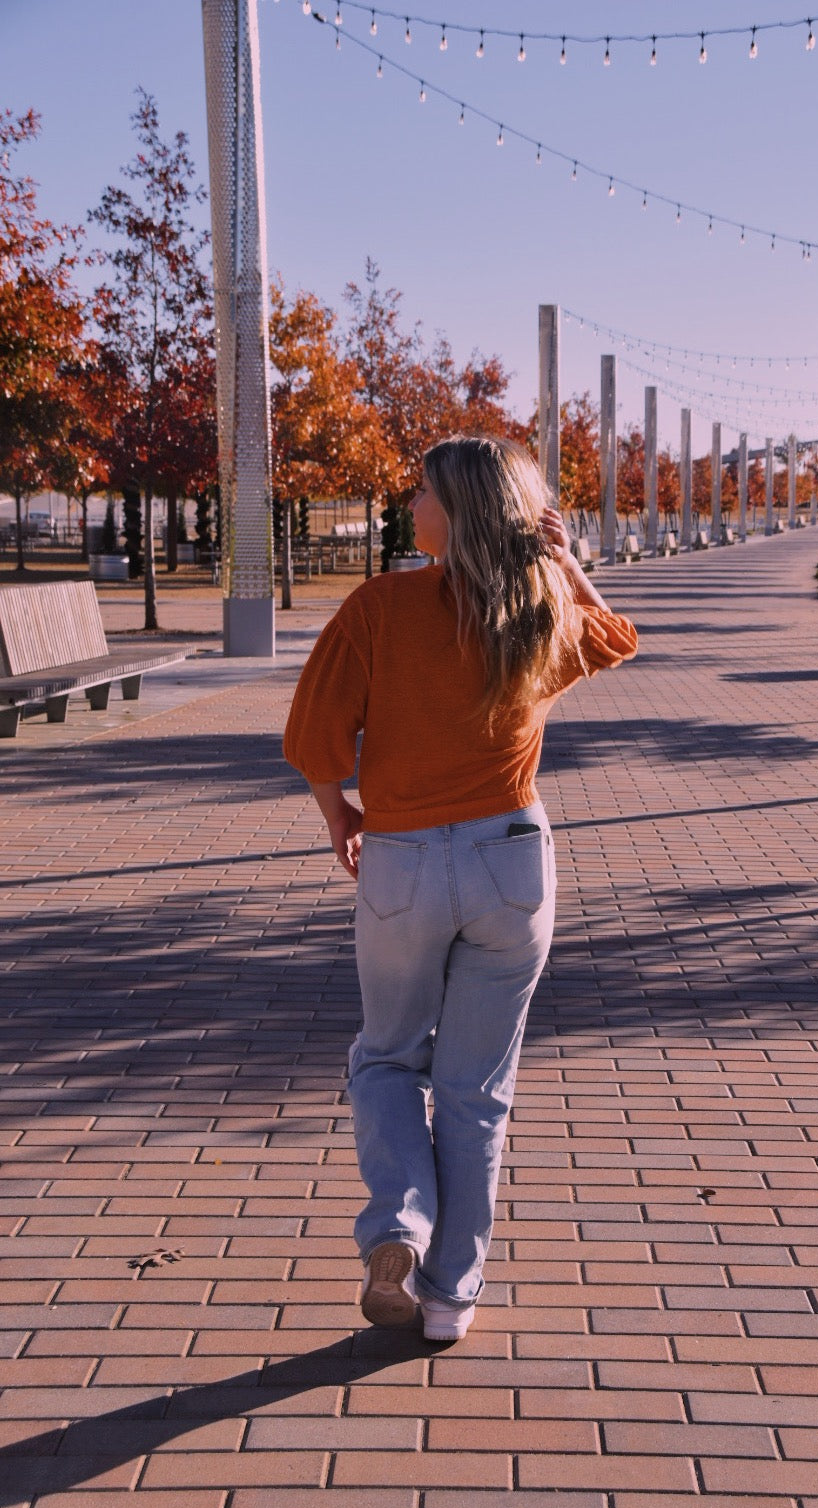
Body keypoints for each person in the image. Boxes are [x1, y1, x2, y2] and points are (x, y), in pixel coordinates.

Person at [283, 436, 637, 1341]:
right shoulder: (539, 606)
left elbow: (314, 733)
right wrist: (566, 561)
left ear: (463, 510)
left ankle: (398, 1223)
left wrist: (339, 817)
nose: (409, 502)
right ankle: (449, 1302)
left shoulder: (381, 606)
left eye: (423, 491)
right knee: (477, 1089)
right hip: (511, 861)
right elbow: (616, 640)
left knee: (388, 1057)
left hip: (400, 859)